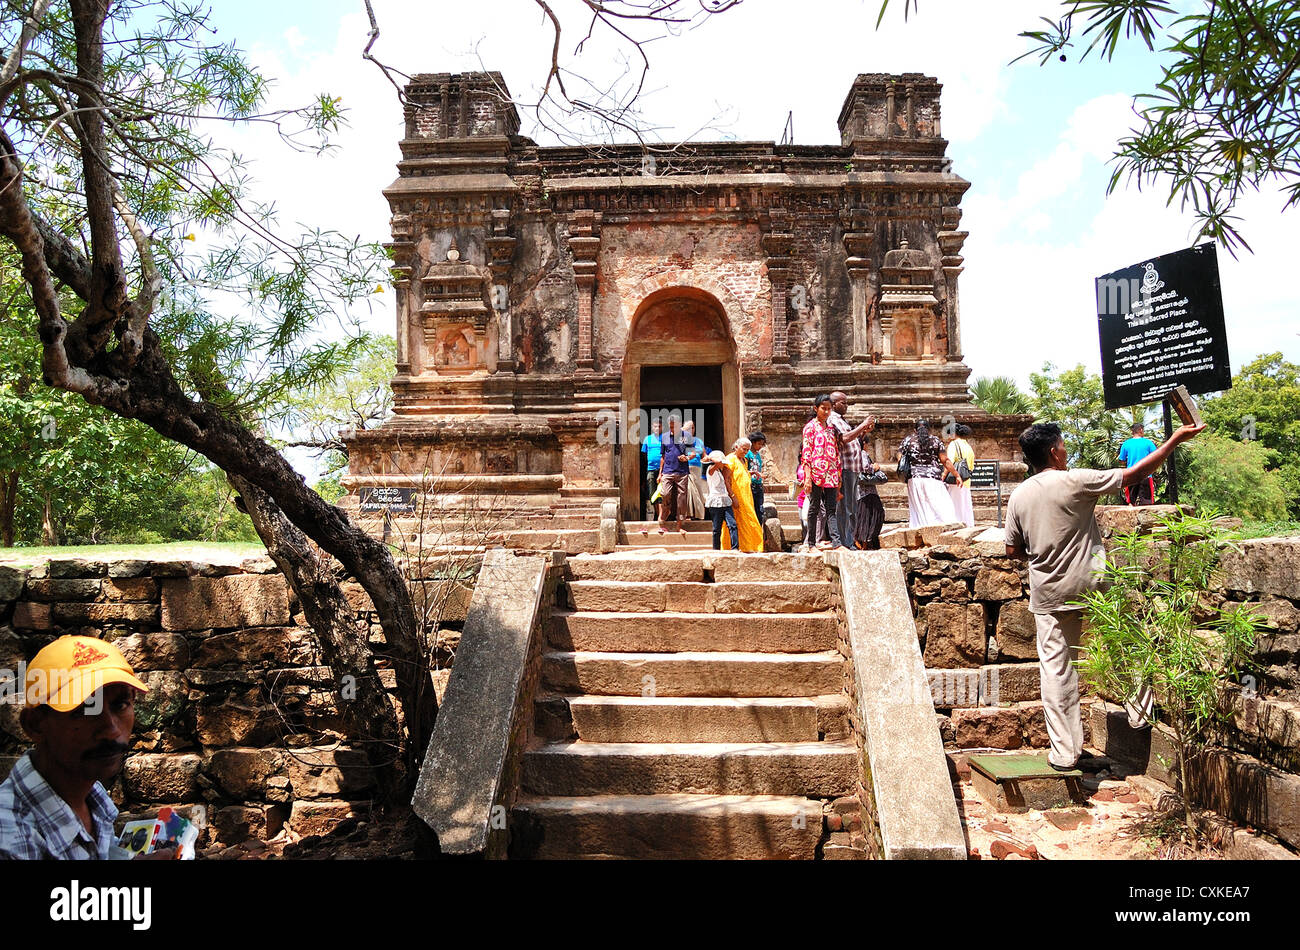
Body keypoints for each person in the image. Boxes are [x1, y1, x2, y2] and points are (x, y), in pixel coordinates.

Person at [1004, 420, 1204, 772]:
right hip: (1094, 584)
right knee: (1125, 644)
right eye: (1063, 445)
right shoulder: (1075, 481)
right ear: (1054, 451)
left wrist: (1041, 557)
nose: (1066, 450)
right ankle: (1141, 713)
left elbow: (1011, 550)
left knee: (1057, 671)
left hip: (1050, 593)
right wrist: (1174, 439)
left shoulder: (1019, 495)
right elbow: (1133, 475)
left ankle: (1065, 753)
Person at [0, 635, 165, 860]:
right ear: (35, 725)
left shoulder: (92, 801)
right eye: (86, 709)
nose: (112, 731)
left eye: (120, 705)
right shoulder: (11, 839)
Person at [828, 392, 875, 550]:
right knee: (846, 507)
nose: (846, 406)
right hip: (845, 468)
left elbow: (852, 438)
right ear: (834, 404)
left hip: (853, 468)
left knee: (852, 507)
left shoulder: (841, 420)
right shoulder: (832, 419)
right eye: (843, 403)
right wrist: (862, 425)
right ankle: (845, 541)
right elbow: (843, 439)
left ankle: (850, 539)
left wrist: (863, 432)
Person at [898, 419, 961, 528]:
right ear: (929, 429)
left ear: (915, 430)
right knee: (940, 505)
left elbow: (900, 457)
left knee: (920, 508)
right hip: (933, 479)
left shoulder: (908, 440)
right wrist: (956, 475)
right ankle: (944, 529)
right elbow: (945, 460)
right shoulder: (935, 441)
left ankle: (921, 530)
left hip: (914, 479)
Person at [801, 395, 842, 550]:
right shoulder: (810, 427)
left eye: (829, 409)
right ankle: (811, 543)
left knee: (832, 509)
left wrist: (839, 477)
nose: (826, 411)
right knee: (814, 507)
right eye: (823, 408)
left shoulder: (832, 429)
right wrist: (807, 477)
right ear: (816, 408)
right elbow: (807, 453)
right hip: (816, 473)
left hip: (831, 473)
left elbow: (836, 452)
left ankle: (836, 543)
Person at [720, 437, 764, 552]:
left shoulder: (743, 460)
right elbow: (726, 479)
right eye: (743, 449)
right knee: (738, 523)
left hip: (746, 497)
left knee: (749, 521)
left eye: (747, 450)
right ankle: (732, 547)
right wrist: (732, 496)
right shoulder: (730, 459)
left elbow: (741, 474)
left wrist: (753, 472)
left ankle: (749, 546)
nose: (745, 452)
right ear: (736, 447)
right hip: (737, 496)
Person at [655, 414, 692, 535]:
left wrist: (686, 457)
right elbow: (663, 456)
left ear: (679, 425)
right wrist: (660, 473)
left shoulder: (686, 436)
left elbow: (693, 453)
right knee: (665, 493)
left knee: (682, 499)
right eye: (670, 427)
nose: (672, 430)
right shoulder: (665, 437)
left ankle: (679, 525)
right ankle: (666, 510)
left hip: (682, 472)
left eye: (674, 427)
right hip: (667, 471)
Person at [855, 433, 888, 550]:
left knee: (863, 517)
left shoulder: (853, 454)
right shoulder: (863, 454)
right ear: (864, 444)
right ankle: (865, 541)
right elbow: (865, 468)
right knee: (874, 515)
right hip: (867, 491)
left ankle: (862, 541)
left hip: (860, 492)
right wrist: (875, 467)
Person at [703, 450, 739, 550]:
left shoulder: (719, 471)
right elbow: (718, 462)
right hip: (715, 501)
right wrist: (711, 458)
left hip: (725, 500)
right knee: (716, 529)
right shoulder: (711, 469)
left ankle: (735, 547)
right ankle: (716, 549)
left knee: (732, 524)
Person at [1117, 422, 1158, 506]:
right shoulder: (1148, 443)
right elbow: (1156, 456)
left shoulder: (1126, 444)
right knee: (1147, 502)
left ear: (1132, 431)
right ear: (1140, 430)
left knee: (1131, 502)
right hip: (1146, 475)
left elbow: (1121, 460)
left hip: (1131, 475)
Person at [945, 423, 976, 528]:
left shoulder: (954, 445)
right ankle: (968, 526)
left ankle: (956, 527)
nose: (949, 437)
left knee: (954, 505)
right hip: (966, 480)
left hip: (956, 480)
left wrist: (943, 476)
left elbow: (949, 462)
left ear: (954, 434)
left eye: (950, 434)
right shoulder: (968, 446)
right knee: (965, 506)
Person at [682, 419, 707, 520]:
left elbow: (704, 455)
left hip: (697, 469)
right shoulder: (681, 440)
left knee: (698, 492)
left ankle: (699, 515)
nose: (691, 430)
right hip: (685, 467)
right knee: (688, 491)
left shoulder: (699, 441)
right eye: (689, 427)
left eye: (693, 427)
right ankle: (688, 514)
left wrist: (710, 458)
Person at [639, 419, 663, 522]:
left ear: (662, 427)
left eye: (659, 426)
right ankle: (654, 517)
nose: (657, 428)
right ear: (652, 428)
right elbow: (644, 455)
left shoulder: (666, 439)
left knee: (662, 493)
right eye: (655, 426)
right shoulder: (647, 439)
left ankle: (661, 517)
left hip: (664, 470)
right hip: (651, 469)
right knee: (652, 494)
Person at [746, 431, 767, 522]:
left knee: (760, 509)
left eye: (762, 444)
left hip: (758, 484)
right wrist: (754, 473)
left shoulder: (757, 454)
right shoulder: (747, 454)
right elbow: (744, 469)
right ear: (753, 443)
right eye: (759, 444)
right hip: (751, 484)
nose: (760, 446)